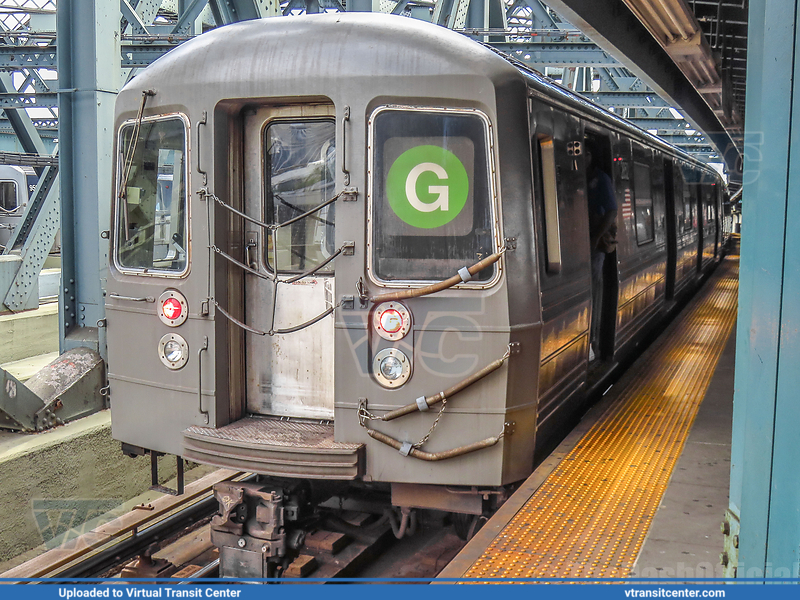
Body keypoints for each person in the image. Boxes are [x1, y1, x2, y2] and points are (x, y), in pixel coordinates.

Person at [585, 141, 618, 361]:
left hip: (595, 248)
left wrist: (595, 237)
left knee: (594, 290)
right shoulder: (580, 178)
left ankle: (593, 342)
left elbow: (612, 210)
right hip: (582, 243)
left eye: (586, 153)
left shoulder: (600, 180)